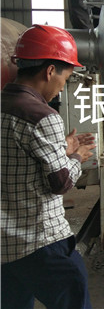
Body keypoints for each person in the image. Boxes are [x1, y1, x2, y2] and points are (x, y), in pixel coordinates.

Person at [1, 24, 96, 309]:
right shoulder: (43, 116)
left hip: (6, 249)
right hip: (41, 242)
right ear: (50, 71)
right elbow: (60, 182)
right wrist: (76, 156)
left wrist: (60, 147)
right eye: (65, 78)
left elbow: (17, 156)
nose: (62, 86)